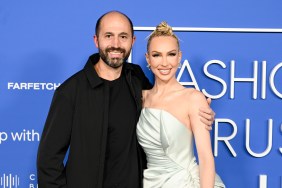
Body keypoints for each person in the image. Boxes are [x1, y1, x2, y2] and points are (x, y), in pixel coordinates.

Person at [36, 11, 216, 188]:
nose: (116, 44)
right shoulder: (70, 91)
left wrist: (201, 109)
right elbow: (48, 160)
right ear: (96, 40)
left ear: (132, 41)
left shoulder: (137, 80)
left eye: (123, 36)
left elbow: (167, 103)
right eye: (108, 36)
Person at [136, 21, 225, 188]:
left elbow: (206, 158)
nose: (164, 63)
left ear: (179, 56)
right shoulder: (140, 97)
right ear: (148, 58)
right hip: (151, 183)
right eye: (156, 55)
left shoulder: (193, 98)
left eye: (170, 54)